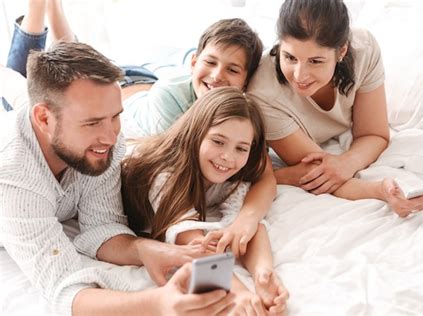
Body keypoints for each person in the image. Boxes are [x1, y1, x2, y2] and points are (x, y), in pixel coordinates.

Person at [0, 1, 234, 315]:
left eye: (115, 117)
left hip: (29, 115)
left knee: (16, 87)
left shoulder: (103, 142)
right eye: (92, 122)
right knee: (12, 84)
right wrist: (158, 303)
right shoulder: (15, 176)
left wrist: (146, 249)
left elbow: (101, 226)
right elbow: (63, 289)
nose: (111, 137)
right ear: (44, 119)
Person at [246, 0, 423, 218]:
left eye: (316, 61)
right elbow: (318, 173)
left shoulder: (364, 49)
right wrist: (382, 190)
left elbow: (374, 134)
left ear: (342, 52)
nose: (300, 75)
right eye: (290, 57)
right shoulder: (262, 93)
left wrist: (347, 163)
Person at [122, 87, 289, 315]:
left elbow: (245, 227)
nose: (228, 157)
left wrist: (263, 274)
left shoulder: (230, 176)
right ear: (197, 132)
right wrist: (237, 293)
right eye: (218, 141)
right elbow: (191, 243)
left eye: (241, 148)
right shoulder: (163, 175)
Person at [122, 18, 277, 259]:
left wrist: (246, 221)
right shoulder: (169, 100)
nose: (217, 76)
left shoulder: (240, 114)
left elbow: (262, 174)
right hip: (130, 86)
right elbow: (173, 172)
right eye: (210, 62)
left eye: (232, 69)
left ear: (246, 82)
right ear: (194, 63)